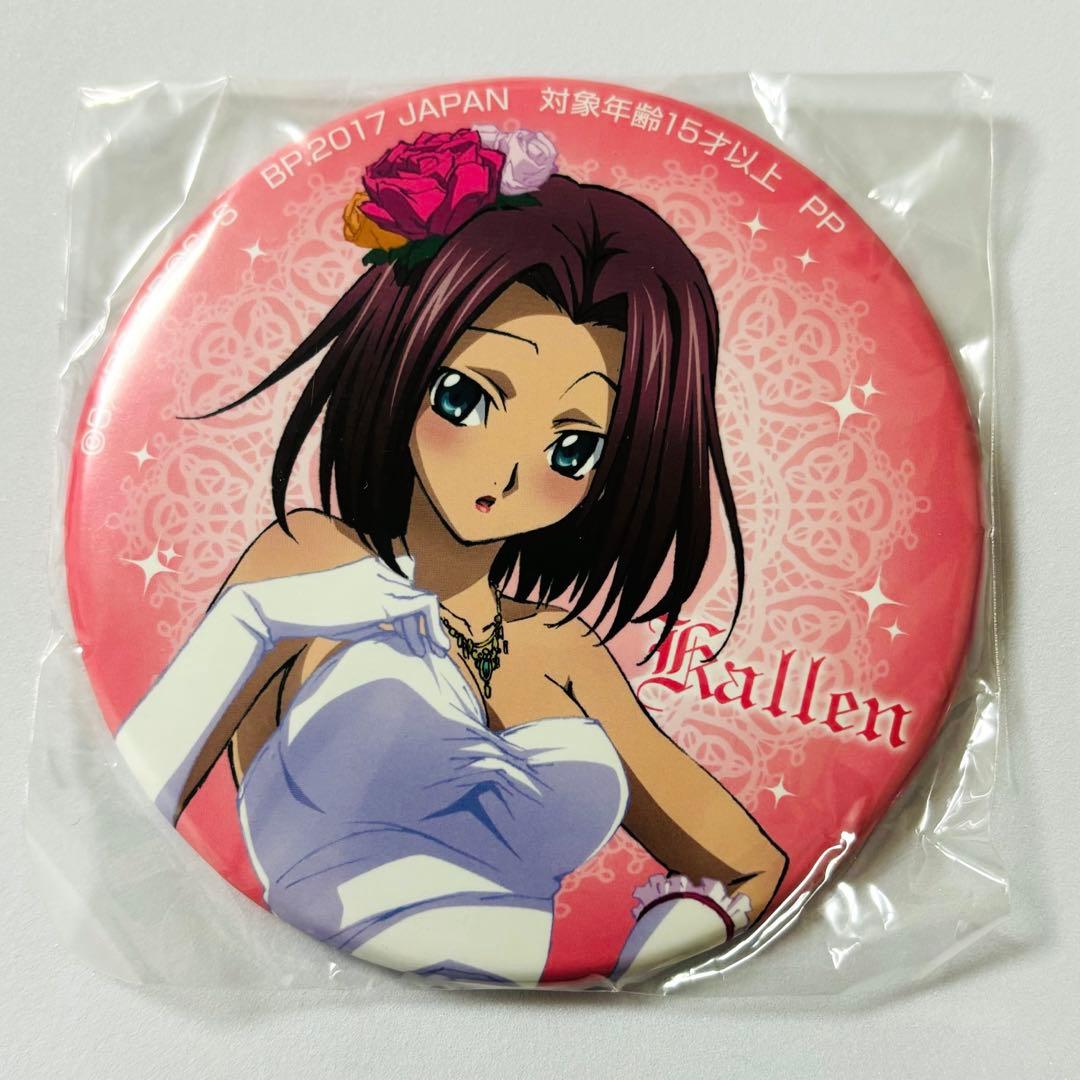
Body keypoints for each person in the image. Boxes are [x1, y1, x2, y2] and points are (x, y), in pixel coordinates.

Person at [115, 127, 787, 986]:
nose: (503, 473)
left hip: (554, 1032)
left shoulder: (561, 650)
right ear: (402, 359)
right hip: (331, 1003)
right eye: (466, 398)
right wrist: (251, 622)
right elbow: (133, 793)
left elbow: (751, 864)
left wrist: (652, 950)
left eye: (572, 449)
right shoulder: (308, 558)